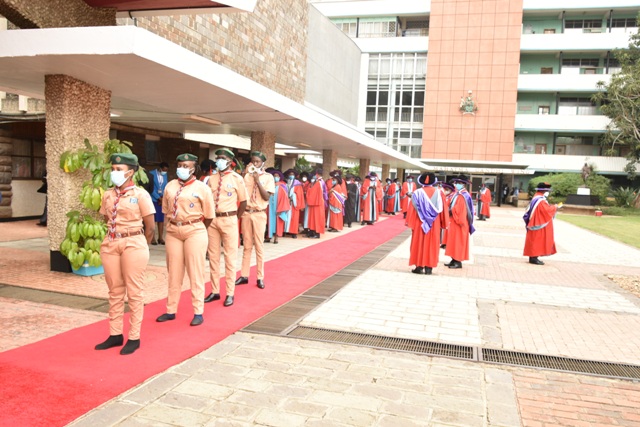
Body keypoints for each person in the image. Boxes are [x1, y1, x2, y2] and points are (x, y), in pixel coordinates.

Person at [95, 153, 155, 355]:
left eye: (119, 170)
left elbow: (150, 227)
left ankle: (134, 337)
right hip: (111, 242)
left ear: (131, 172)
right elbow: (106, 219)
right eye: (113, 169)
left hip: (133, 242)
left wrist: (141, 245)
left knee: (134, 291)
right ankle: (115, 334)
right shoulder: (108, 194)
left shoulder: (141, 195)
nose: (114, 173)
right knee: (114, 290)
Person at [157, 154, 215, 326]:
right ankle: (170, 310)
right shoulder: (170, 185)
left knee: (195, 272)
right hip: (174, 230)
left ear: (194, 168)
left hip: (194, 230)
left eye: (186, 166)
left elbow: (209, 216)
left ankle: (198, 311)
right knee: (174, 272)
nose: (182, 168)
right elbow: (166, 210)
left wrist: (198, 229)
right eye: (180, 165)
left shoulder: (202, 188)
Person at [204, 148, 247, 307]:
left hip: (229, 219)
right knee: (213, 257)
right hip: (213, 220)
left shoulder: (237, 179)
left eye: (222, 158)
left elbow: (244, 202)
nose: (218, 161)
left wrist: (235, 218)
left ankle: (230, 292)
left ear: (230, 161)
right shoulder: (211, 178)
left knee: (230, 257)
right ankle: (215, 291)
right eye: (217, 158)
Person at [236, 151, 275, 290]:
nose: (255, 164)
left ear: (263, 163)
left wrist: (257, 180)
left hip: (259, 213)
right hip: (247, 213)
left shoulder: (268, 177)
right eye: (253, 161)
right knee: (247, 245)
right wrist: (244, 173)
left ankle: (260, 277)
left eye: (257, 162)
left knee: (259, 245)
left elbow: (266, 197)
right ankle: (244, 275)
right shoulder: (247, 176)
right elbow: (240, 192)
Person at [407, 172, 448, 275]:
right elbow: (444, 210)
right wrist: (443, 223)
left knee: (419, 243)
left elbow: (412, 210)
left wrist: (411, 223)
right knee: (432, 244)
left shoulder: (417, 193)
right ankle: (429, 268)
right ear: (434, 181)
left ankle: (419, 267)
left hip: (419, 222)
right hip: (434, 223)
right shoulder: (439, 193)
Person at [523, 182, 561, 265]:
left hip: (535, 222)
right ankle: (534, 258)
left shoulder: (536, 197)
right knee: (537, 240)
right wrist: (555, 207)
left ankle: (533, 257)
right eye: (547, 190)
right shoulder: (540, 200)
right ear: (544, 190)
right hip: (538, 224)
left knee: (534, 240)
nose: (548, 192)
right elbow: (546, 211)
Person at [444, 175, 475, 269]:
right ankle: (453, 259)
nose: (456, 184)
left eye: (458, 183)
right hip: (454, 221)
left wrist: (451, 210)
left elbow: (461, 210)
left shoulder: (464, 195)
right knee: (453, 241)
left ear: (463, 184)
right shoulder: (457, 193)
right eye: (456, 182)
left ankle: (458, 261)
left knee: (458, 242)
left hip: (460, 222)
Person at [267, 170, 290, 244]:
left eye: (277, 176)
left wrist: (280, 209)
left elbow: (284, 199)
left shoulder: (281, 187)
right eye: (274, 176)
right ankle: (269, 237)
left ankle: (276, 238)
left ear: (280, 177)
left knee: (277, 223)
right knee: (269, 222)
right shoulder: (269, 186)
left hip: (277, 208)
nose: (275, 177)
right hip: (270, 208)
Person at [149, 162, 169, 245]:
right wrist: (158, 197)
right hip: (153, 199)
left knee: (161, 219)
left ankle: (160, 238)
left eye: (166, 170)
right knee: (153, 219)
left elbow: (165, 187)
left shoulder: (165, 175)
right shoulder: (151, 174)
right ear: (160, 168)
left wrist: (163, 198)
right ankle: (152, 238)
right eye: (164, 170)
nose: (165, 172)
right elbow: (151, 188)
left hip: (161, 200)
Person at [305, 168, 326, 238]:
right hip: (314, 202)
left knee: (317, 218)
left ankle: (317, 233)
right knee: (312, 218)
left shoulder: (320, 182)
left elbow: (313, 191)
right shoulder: (316, 182)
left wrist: (309, 189)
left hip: (318, 202)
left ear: (316, 174)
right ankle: (312, 231)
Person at [284, 169, 305, 237]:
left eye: (292, 174)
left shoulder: (297, 184)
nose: (291, 175)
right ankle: (287, 231)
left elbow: (299, 194)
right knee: (286, 217)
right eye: (290, 174)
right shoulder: (286, 183)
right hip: (287, 203)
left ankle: (294, 232)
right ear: (288, 175)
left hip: (294, 203)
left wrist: (292, 197)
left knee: (294, 218)